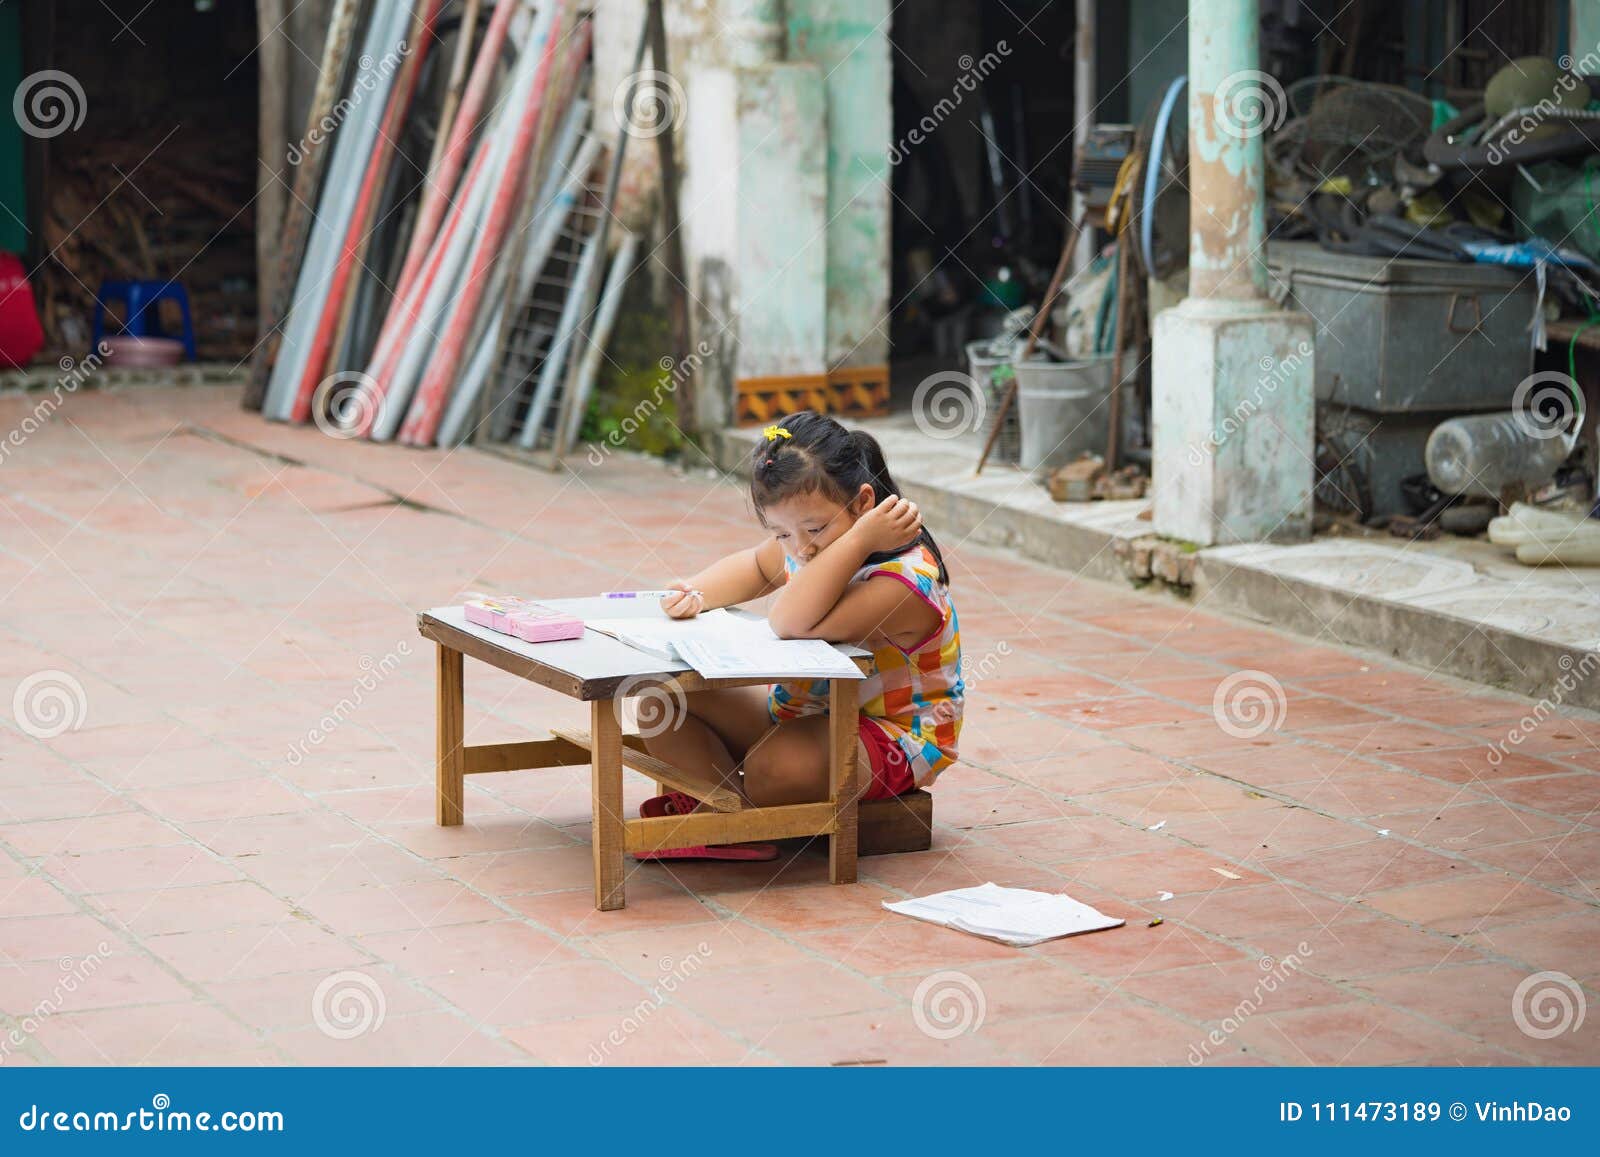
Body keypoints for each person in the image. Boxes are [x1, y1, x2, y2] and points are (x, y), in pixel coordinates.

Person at [637, 410, 963, 861]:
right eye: (781, 532)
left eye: (814, 529)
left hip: (894, 737)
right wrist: (695, 591)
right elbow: (755, 566)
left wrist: (858, 540)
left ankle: (743, 810)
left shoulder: (903, 581)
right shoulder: (805, 545)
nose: (800, 547)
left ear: (863, 504)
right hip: (801, 717)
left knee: (774, 767)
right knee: (661, 699)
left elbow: (790, 622)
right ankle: (732, 822)